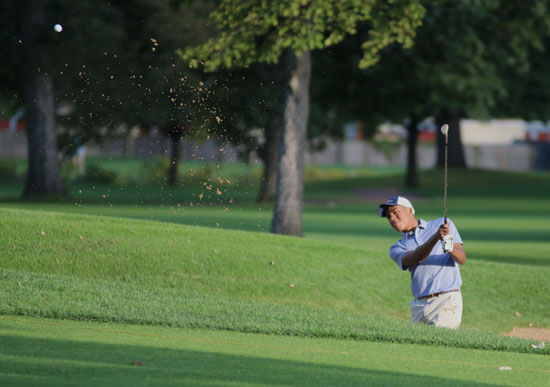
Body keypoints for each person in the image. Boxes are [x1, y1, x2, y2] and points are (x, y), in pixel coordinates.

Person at [378, 196, 467, 329]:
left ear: (409, 211)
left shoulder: (442, 224)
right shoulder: (397, 248)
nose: (392, 218)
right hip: (419, 306)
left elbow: (461, 259)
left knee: (438, 341)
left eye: (395, 212)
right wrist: (435, 238)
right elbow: (415, 257)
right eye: (388, 216)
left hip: (446, 299)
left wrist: (448, 244)